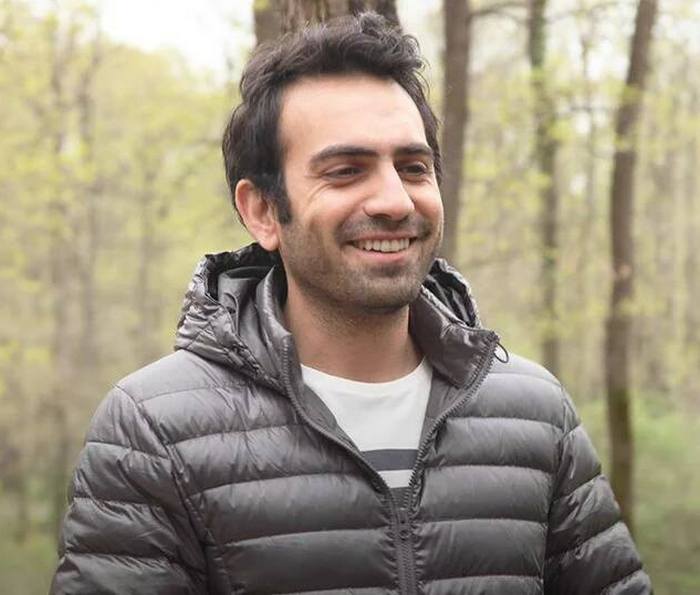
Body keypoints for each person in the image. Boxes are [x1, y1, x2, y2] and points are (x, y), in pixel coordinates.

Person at [51, 12, 651, 595]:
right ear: (263, 211)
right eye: (345, 171)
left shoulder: (535, 415)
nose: (395, 200)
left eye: (413, 167)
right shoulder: (154, 431)